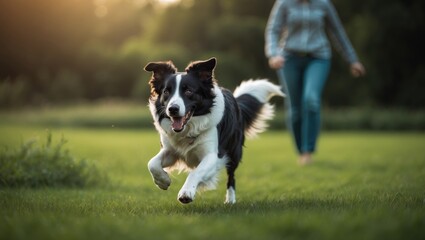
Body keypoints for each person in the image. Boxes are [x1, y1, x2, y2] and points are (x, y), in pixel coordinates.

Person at [265, 0, 366, 165]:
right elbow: (273, 30)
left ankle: (307, 151)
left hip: (318, 57)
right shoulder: (284, 3)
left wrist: (352, 60)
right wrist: (273, 53)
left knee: (311, 99)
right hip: (289, 59)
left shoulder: (323, 4)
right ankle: (300, 150)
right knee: (295, 109)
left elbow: (338, 32)